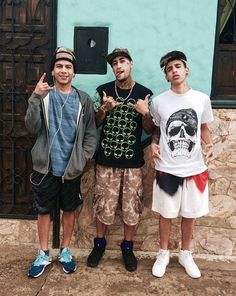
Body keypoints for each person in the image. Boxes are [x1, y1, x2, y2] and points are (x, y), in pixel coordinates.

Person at [25, 47, 97, 278]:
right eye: (59, 66)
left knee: (69, 209)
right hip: (46, 166)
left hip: (71, 167)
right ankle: (44, 252)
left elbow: (90, 133)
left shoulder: (83, 100)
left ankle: (65, 251)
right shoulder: (44, 96)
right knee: (44, 210)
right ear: (53, 71)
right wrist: (35, 97)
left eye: (68, 67)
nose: (63, 71)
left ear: (74, 73)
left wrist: (84, 157)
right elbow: (31, 127)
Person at [87, 48, 154, 272]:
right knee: (102, 205)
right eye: (114, 63)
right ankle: (99, 244)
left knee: (131, 207)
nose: (118, 66)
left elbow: (149, 129)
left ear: (130, 64)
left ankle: (127, 247)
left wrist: (145, 113)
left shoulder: (144, 93)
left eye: (122, 61)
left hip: (132, 163)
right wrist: (104, 109)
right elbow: (94, 123)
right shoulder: (104, 91)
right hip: (106, 160)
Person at [150, 50, 214, 279]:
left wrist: (210, 145)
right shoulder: (158, 102)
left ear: (186, 70)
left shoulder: (201, 99)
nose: (174, 71)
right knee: (166, 214)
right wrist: (153, 143)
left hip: (195, 169)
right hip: (167, 168)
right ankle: (163, 253)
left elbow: (204, 127)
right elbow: (157, 130)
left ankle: (186, 253)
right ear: (166, 76)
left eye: (177, 66)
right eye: (169, 69)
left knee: (190, 214)